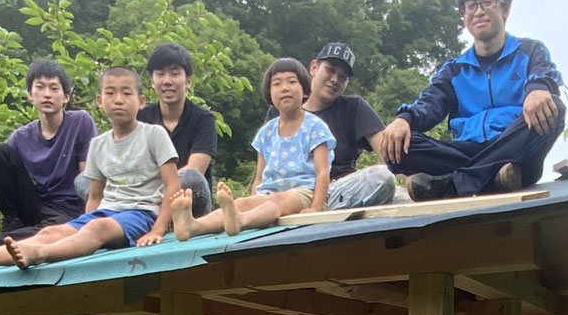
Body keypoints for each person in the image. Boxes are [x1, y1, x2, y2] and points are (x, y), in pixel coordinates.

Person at [0, 67, 179, 271]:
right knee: (52, 231)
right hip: (106, 214)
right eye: (111, 94)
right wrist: (83, 222)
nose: (119, 100)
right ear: (100, 101)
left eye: (126, 93)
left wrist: (158, 229)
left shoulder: (153, 134)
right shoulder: (99, 144)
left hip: (141, 214)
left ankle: (37, 253)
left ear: (142, 101)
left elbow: (172, 187)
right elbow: (94, 197)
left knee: (95, 229)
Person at [373, 0, 565, 200]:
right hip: (467, 148)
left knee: (554, 107)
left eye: (487, 2)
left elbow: (545, 73)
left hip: (517, 150)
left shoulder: (529, 51)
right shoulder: (454, 70)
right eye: (471, 6)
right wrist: (404, 119)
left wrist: (538, 88)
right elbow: (428, 105)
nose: (479, 12)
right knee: (398, 145)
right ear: (464, 16)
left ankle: (455, 183)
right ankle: (493, 176)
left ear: (505, 9)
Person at [170, 58, 331, 239]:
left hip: (304, 192)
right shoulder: (266, 132)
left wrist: (316, 208)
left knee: (275, 201)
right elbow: (259, 177)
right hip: (270, 193)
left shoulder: (315, 126)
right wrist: (255, 199)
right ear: (270, 94)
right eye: (277, 84)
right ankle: (194, 226)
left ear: (305, 91)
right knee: (241, 202)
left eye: (292, 81)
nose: (284, 88)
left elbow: (323, 171)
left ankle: (242, 221)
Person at [0, 59, 94, 242]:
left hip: (69, 210)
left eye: (54, 88)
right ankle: (13, 226)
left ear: (66, 96)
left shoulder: (80, 122)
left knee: (53, 233)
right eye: (40, 88)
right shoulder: (21, 136)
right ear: (30, 94)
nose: (47, 95)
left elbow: (89, 176)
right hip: (37, 205)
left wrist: (92, 221)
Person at [272, 42, 397, 209]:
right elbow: (269, 167)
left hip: (341, 189)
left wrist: (417, 181)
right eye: (330, 70)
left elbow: (389, 152)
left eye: (342, 77)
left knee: (384, 180)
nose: (334, 79)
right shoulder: (281, 110)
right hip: (295, 192)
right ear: (314, 67)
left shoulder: (353, 107)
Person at [137, 42, 218, 215]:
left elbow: (195, 170)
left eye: (175, 74)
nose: (167, 81)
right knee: (87, 181)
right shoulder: (140, 118)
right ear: (152, 81)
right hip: (146, 201)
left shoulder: (203, 119)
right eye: (160, 74)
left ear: (188, 81)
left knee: (190, 178)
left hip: (190, 201)